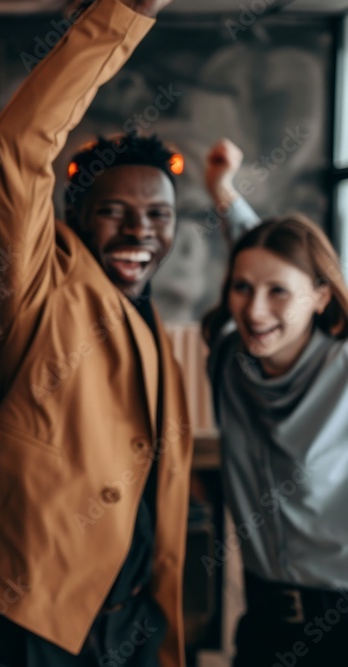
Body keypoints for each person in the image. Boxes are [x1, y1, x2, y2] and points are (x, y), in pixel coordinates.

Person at [0, 0, 193, 665]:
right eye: (114, 210)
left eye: (157, 214)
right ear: (75, 216)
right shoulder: (40, 287)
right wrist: (125, 14)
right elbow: (19, 146)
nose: (140, 230)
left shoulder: (152, 325)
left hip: (134, 620)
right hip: (36, 617)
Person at [201, 140, 348, 667]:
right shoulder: (228, 361)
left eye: (278, 293)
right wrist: (222, 192)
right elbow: (258, 255)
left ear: (321, 296)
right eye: (241, 288)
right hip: (263, 621)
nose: (254, 310)